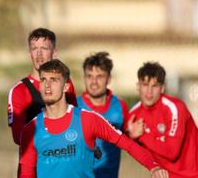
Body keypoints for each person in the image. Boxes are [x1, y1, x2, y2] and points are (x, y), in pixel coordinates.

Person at [19, 59, 168, 178]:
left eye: (54, 80)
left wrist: (153, 166)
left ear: (65, 87)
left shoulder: (88, 120)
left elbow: (127, 144)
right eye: (43, 80)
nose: (47, 85)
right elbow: (26, 174)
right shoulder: (30, 130)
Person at [8, 28, 77, 145]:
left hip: (63, 159)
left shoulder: (66, 83)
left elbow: (75, 122)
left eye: (44, 48)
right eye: (34, 49)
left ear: (54, 53)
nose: (39, 53)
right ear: (29, 53)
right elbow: (18, 137)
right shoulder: (19, 90)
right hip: (36, 161)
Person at [127, 62, 198, 177]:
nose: (149, 91)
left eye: (155, 86)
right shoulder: (133, 116)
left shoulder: (175, 108)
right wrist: (130, 136)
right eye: (145, 85)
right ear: (137, 86)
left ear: (162, 88)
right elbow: (133, 149)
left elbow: (172, 152)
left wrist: (141, 135)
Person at [76, 52, 129, 178]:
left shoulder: (120, 107)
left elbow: (128, 141)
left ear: (109, 79)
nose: (93, 81)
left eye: (99, 76)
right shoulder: (73, 107)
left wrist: (133, 135)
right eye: (89, 76)